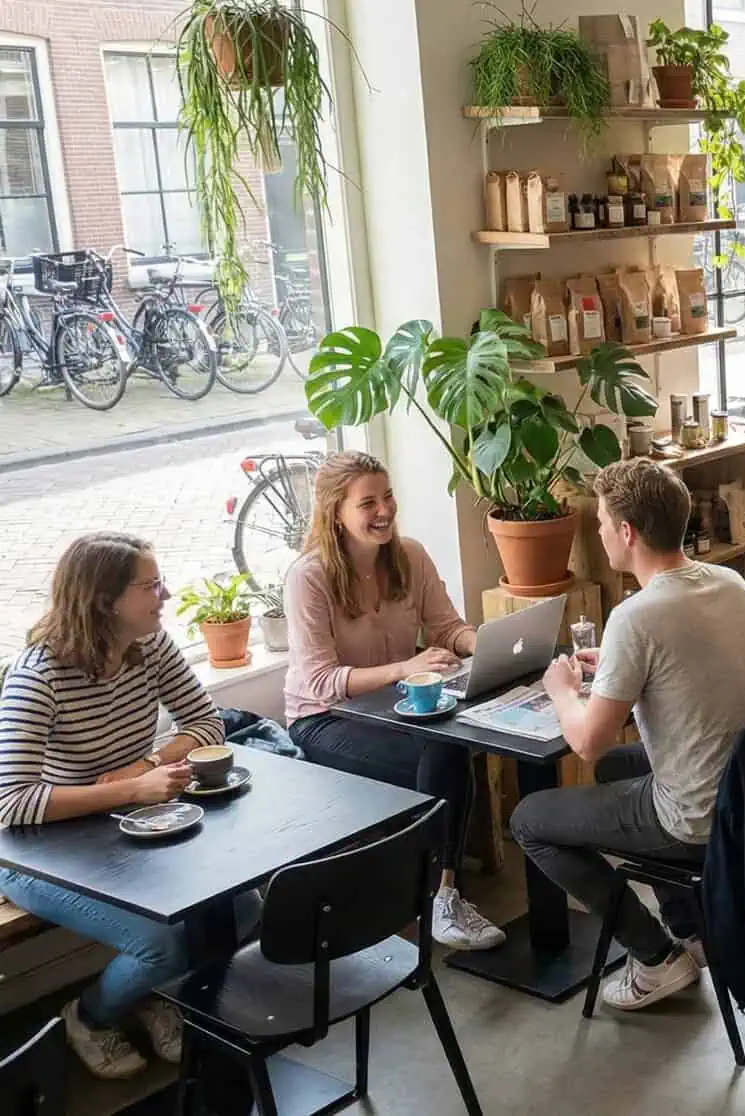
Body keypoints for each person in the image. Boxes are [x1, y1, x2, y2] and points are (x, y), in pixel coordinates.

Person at [514, 459, 745, 1011]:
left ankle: (656, 957)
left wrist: (563, 689)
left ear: (628, 533)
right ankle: (693, 926)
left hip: (696, 816)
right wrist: (615, 667)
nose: (601, 533)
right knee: (619, 771)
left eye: (604, 524)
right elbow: (685, 670)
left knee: (530, 820)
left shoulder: (636, 617)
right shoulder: (727, 582)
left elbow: (588, 743)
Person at [0, 533, 257, 1078]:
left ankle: (168, 1000)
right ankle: (90, 1018)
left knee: (244, 906)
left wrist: (143, 769)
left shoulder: (151, 645)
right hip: (37, 850)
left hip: (127, 826)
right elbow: (12, 803)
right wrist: (128, 791)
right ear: (104, 600)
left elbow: (208, 723)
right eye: (150, 586)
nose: (164, 595)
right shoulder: (37, 677)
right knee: (158, 945)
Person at [282, 451, 504, 952]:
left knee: (454, 741)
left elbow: (447, 627)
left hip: (396, 708)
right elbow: (318, 681)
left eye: (387, 496)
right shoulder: (309, 577)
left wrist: (485, 645)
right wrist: (404, 669)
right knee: (442, 752)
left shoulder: (411, 556)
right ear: (335, 512)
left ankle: (433, 892)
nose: (383, 510)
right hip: (324, 719)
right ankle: (440, 898)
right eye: (368, 503)